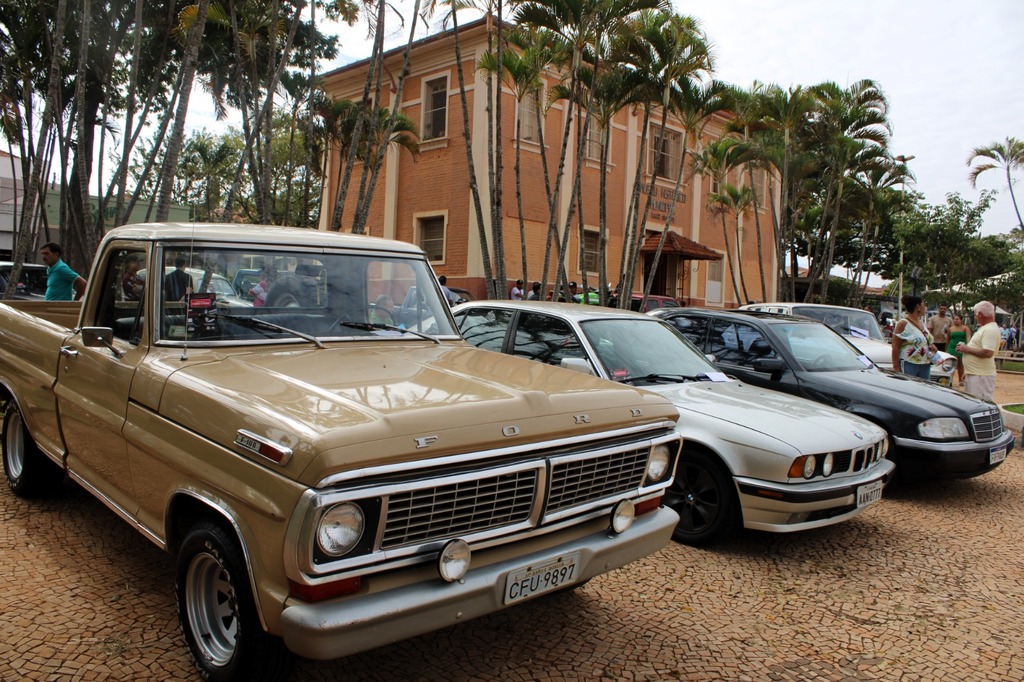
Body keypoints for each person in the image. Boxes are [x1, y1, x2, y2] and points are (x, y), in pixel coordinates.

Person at [957, 300, 1000, 401]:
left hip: (981, 375)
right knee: (972, 402)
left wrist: (966, 349)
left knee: (980, 402)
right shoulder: (986, 328)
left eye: (976, 315)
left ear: (980, 314)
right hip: (976, 373)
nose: (976, 317)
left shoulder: (990, 330)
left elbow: (988, 352)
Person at [890, 295, 936, 381]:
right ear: (918, 307)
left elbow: (925, 341)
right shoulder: (903, 323)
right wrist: (896, 367)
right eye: (923, 305)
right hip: (909, 363)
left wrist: (932, 346)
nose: (925, 308)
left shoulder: (922, 323)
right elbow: (895, 346)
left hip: (925, 364)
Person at [947, 313, 972, 387]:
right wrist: (946, 348)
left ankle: (961, 380)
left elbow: (968, 337)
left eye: (957, 319)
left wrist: (968, 346)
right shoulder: (951, 329)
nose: (955, 320)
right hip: (952, 347)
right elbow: (948, 339)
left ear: (961, 320)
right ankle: (950, 379)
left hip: (961, 346)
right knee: (952, 363)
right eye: (954, 319)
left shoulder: (965, 328)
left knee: (960, 364)